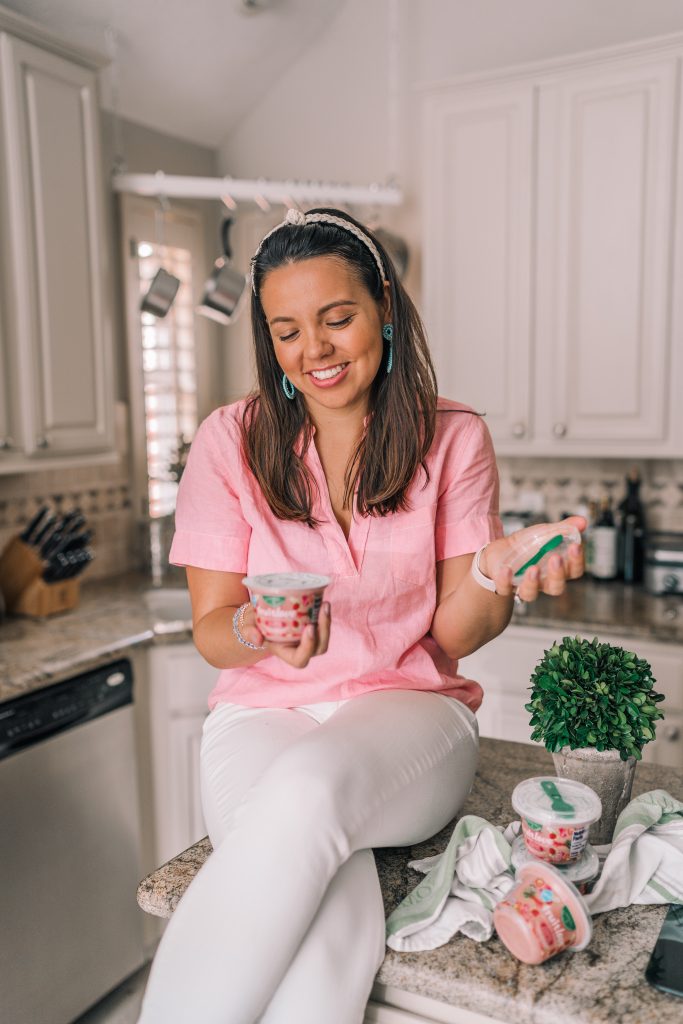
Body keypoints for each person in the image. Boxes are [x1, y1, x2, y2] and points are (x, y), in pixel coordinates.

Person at [137, 208, 585, 1024]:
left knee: (304, 792)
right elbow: (212, 632)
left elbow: (453, 636)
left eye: (336, 318)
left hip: (409, 714)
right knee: (322, 914)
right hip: (259, 714)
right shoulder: (226, 441)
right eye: (286, 331)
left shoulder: (452, 437)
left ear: (383, 303)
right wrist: (255, 630)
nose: (315, 350)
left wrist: (493, 569)